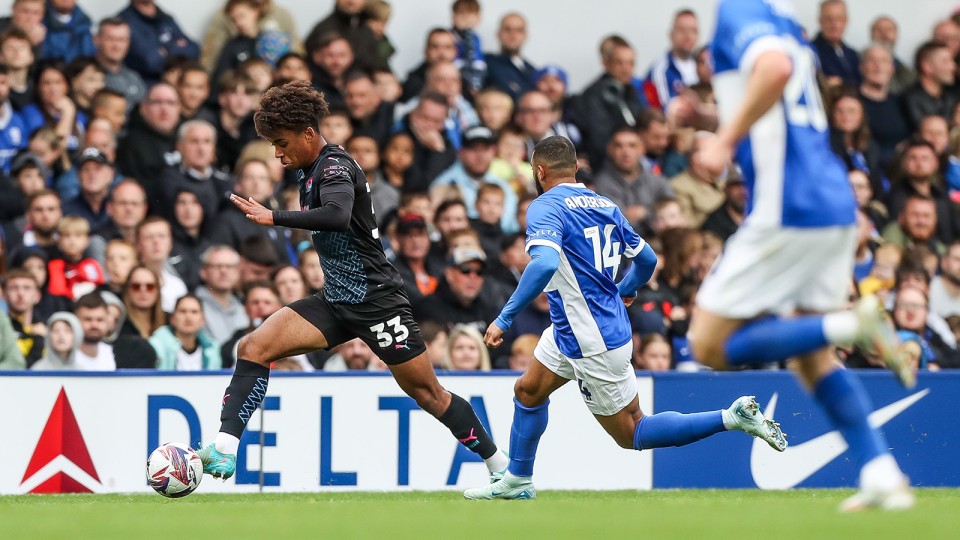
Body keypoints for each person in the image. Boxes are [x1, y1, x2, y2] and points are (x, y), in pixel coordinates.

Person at [196, 80, 508, 482]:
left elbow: (338, 215)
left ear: (308, 133)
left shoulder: (334, 167)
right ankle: (224, 449)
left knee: (428, 394)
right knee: (253, 346)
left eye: (281, 142)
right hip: (337, 301)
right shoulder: (308, 167)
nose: (277, 153)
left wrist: (275, 216)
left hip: (378, 302)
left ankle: (502, 470)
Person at [462, 136, 784, 500]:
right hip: (574, 327)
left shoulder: (544, 206)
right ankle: (518, 480)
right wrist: (625, 288)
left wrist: (504, 318)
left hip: (592, 339)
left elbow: (546, 263)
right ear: (575, 168)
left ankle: (732, 416)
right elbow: (646, 259)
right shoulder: (604, 204)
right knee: (528, 391)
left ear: (539, 171)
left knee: (633, 432)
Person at [689, 0, 914, 511]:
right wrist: (706, 115)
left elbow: (775, 70)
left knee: (708, 344)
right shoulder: (787, 24)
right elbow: (781, 98)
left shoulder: (738, 11)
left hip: (786, 206)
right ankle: (881, 471)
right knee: (810, 357)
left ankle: (849, 325)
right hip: (832, 200)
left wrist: (722, 139)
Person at [643, 9, 700, 111]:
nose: (688, 35)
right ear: (671, 34)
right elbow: (661, 110)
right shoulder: (660, 70)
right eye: (682, 30)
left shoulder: (703, 65)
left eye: (693, 30)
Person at [150, 293, 222, 371]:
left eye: (194, 312)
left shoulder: (213, 349)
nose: (188, 317)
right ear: (172, 319)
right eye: (183, 311)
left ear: (203, 320)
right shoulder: (156, 346)